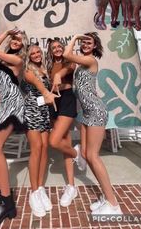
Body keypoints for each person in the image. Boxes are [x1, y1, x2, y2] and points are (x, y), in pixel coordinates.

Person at [63, 32, 122, 216]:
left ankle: (113, 205)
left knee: (94, 156)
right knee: (87, 155)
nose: (86, 44)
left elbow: (66, 54)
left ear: (95, 46)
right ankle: (106, 196)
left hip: (96, 111)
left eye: (90, 42)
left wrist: (76, 37)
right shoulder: (81, 64)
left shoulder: (90, 60)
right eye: (84, 41)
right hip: (87, 113)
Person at [0, 28, 28, 228]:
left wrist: (8, 32)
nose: (15, 41)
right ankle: (2, 196)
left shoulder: (17, 60)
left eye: (19, 40)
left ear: (23, 44)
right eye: (14, 39)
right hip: (4, 103)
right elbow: (6, 84)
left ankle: (7, 201)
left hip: (14, 106)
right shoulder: (7, 58)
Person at [21, 44, 60, 217]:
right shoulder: (27, 71)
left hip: (43, 112)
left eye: (38, 52)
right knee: (36, 150)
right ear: (28, 56)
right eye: (33, 53)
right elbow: (40, 87)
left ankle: (40, 188)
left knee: (45, 149)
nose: (36, 55)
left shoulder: (43, 68)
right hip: (31, 112)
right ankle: (33, 192)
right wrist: (47, 94)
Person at [46, 38, 82, 207]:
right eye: (54, 47)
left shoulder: (69, 61)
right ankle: (71, 186)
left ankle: (77, 154)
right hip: (54, 102)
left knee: (53, 141)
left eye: (60, 46)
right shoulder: (48, 65)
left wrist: (59, 75)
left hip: (67, 99)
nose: (58, 49)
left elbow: (70, 68)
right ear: (51, 51)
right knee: (64, 142)